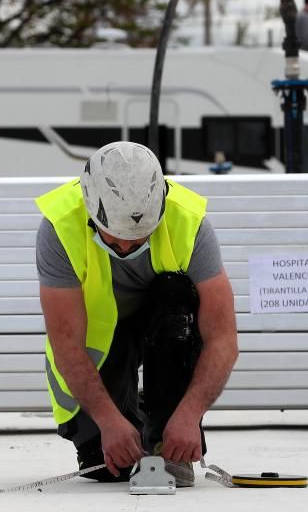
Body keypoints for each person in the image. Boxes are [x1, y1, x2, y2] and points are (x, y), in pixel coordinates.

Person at [34, 141, 239, 486]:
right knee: (107, 468)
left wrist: (189, 414)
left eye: (140, 239)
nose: (127, 248)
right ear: (89, 208)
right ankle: (133, 412)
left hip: (162, 328)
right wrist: (108, 421)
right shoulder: (59, 227)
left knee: (174, 292)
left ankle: (164, 432)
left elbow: (223, 338)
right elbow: (67, 343)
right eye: (115, 240)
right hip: (100, 345)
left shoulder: (188, 222)